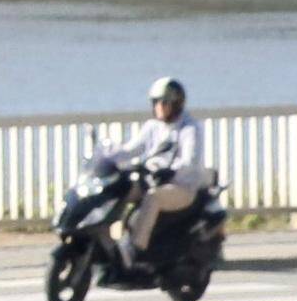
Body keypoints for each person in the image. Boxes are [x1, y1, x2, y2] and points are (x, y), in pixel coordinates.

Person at [88, 75, 211, 261]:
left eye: (165, 103)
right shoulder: (153, 126)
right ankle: (109, 241)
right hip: (152, 180)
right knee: (117, 190)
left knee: (153, 198)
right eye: (156, 103)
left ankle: (136, 250)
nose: (159, 107)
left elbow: (190, 161)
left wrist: (170, 170)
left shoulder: (189, 129)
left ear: (177, 104)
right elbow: (130, 150)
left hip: (181, 186)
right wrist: (105, 153)